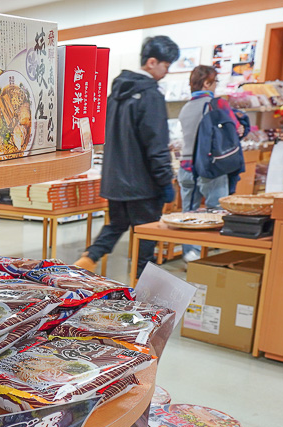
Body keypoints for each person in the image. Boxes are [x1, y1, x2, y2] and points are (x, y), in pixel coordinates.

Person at [74, 36, 179, 277]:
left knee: (116, 225)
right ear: (152, 62)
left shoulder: (116, 93)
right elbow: (156, 145)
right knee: (146, 239)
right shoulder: (151, 95)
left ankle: (87, 259)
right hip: (143, 185)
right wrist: (165, 182)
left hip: (115, 181)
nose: (167, 71)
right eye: (166, 65)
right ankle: (144, 298)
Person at [177, 65, 246, 261]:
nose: (216, 86)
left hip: (186, 166)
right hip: (210, 167)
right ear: (207, 83)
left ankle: (190, 254)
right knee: (215, 211)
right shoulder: (217, 104)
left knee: (188, 213)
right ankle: (207, 259)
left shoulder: (186, 107)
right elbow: (236, 130)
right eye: (215, 81)